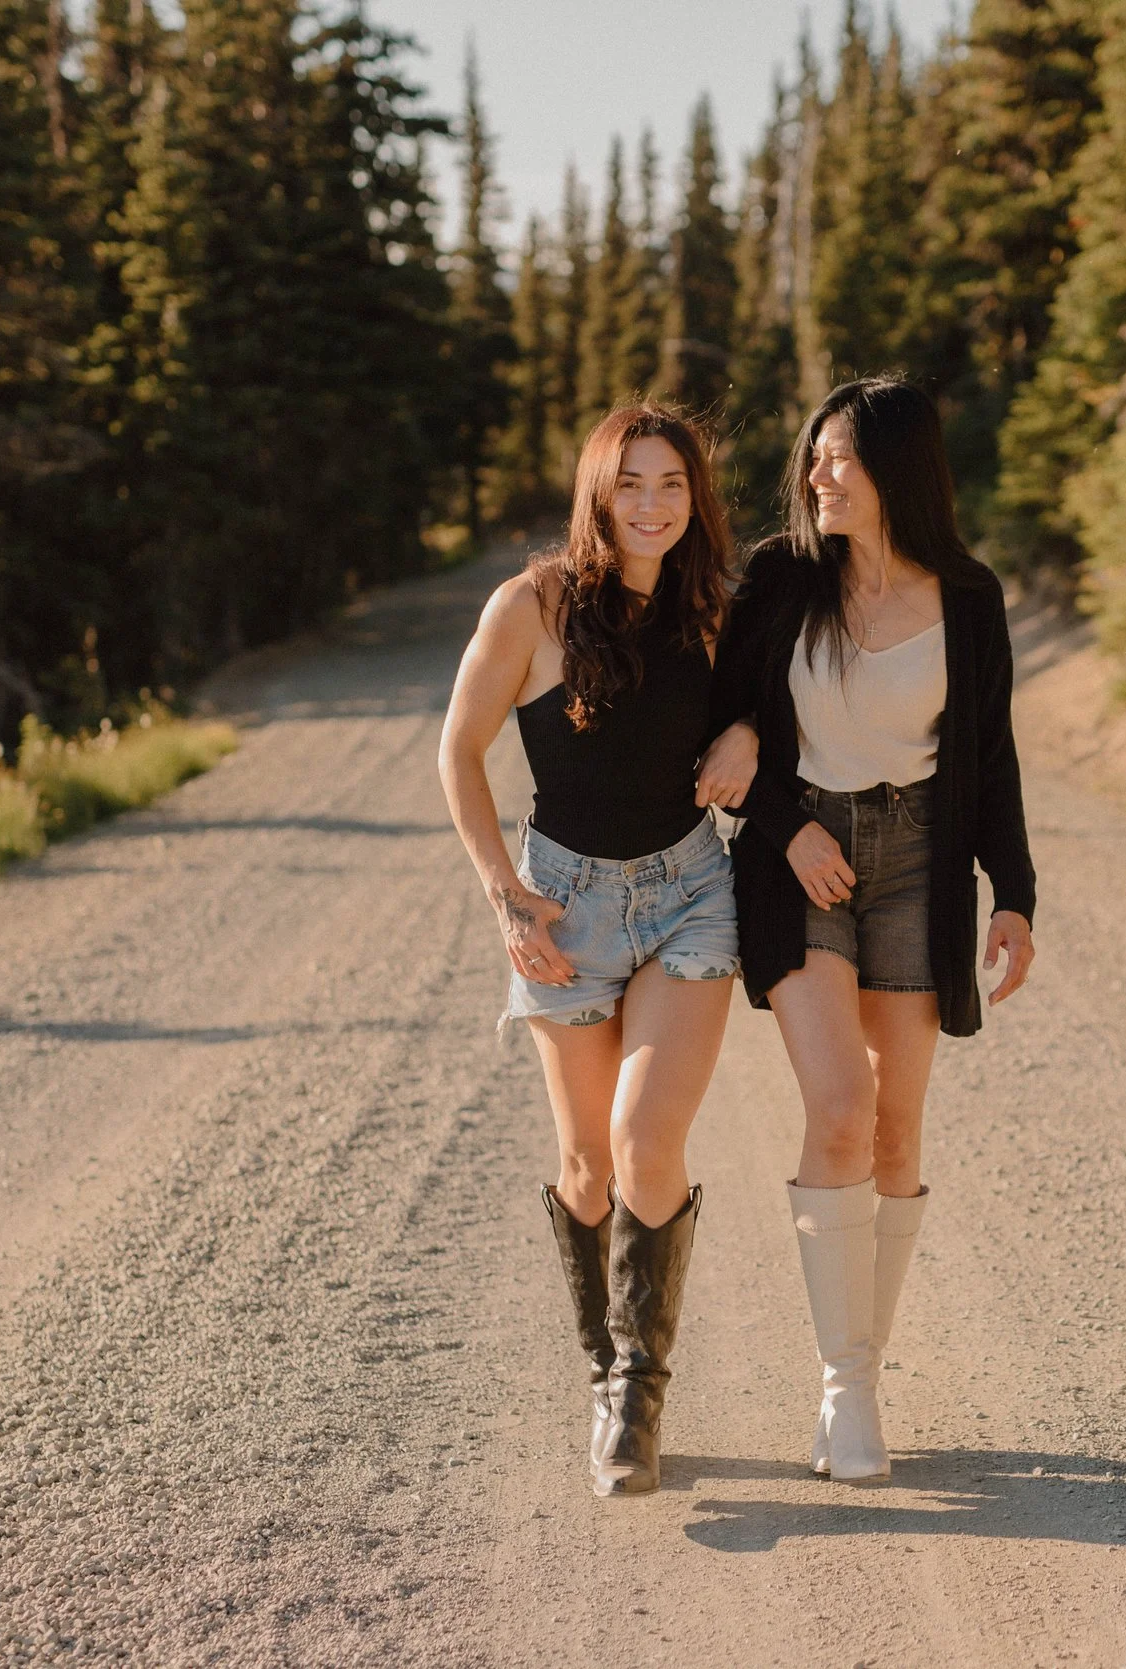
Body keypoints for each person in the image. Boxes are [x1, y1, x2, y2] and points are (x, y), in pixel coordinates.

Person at [697, 378, 1037, 1483]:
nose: (818, 476)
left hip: (920, 867)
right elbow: (719, 725)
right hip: (804, 861)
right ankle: (843, 1386)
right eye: (814, 457)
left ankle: (862, 1377)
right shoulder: (783, 577)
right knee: (839, 1105)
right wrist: (780, 820)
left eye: (839, 457)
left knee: (896, 1130)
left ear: (900, 470)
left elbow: (990, 760)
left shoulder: (970, 601)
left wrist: (1015, 893)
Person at [439, 405, 739, 1498]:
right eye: (631, 485)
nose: (652, 505)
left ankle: (638, 1395)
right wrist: (504, 896)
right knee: (585, 1169)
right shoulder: (534, 605)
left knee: (642, 1139)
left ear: (694, 496)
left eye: (672, 484)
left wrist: (747, 730)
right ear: (597, 494)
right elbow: (458, 750)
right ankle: (603, 1370)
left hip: (690, 894)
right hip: (561, 905)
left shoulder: (716, 604)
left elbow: (769, 715)